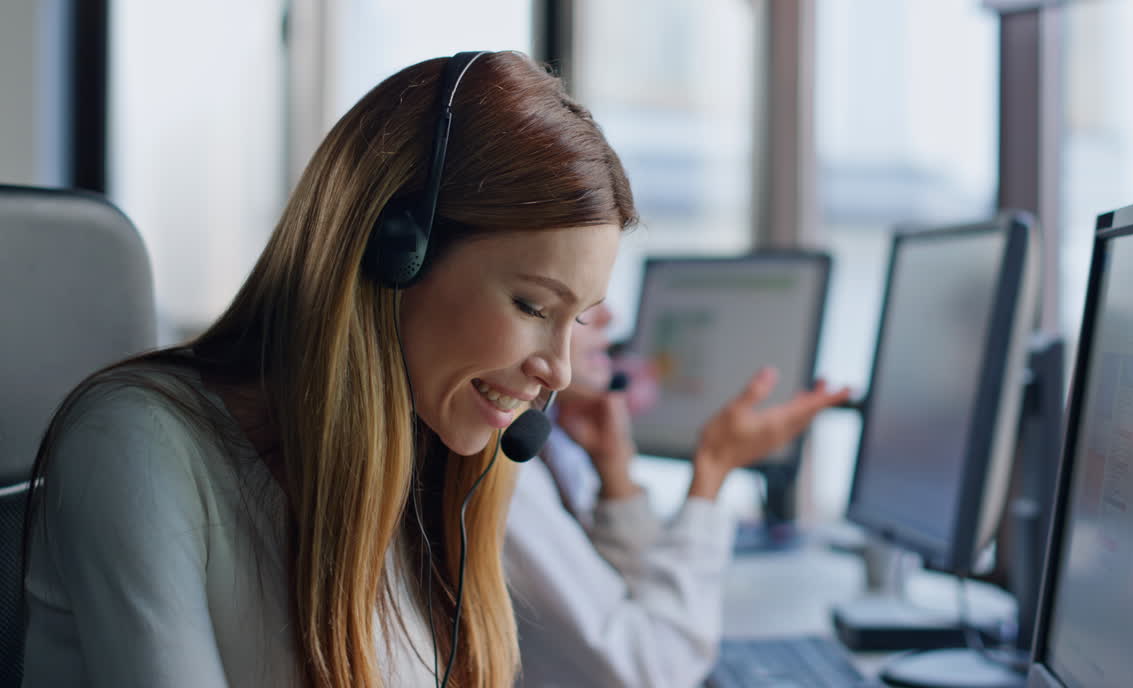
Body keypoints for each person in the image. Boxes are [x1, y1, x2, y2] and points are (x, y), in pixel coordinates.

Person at [21, 51, 636, 688]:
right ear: (395, 253)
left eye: (581, 318)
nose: (559, 372)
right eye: (533, 305)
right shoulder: (136, 442)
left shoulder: (438, 458)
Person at [504, 303, 850, 687]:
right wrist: (714, 468)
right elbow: (657, 670)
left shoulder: (548, 449)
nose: (610, 318)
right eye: (582, 303)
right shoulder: (507, 479)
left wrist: (614, 471)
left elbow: (630, 599)